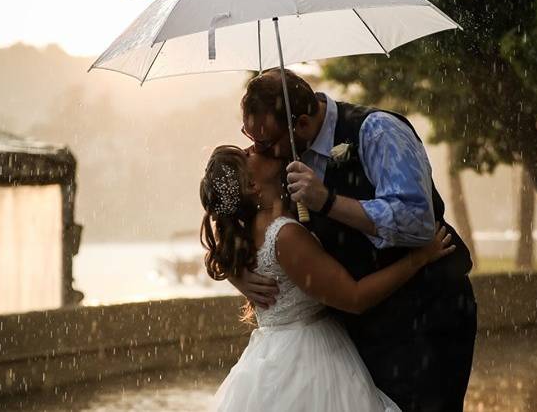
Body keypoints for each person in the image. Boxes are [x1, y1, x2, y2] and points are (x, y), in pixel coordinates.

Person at [232, 69, 477, 412]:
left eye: (267, 141)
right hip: (356, 332)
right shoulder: (285, 156)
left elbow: (417, 222)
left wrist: (328, 201)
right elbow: (229, 204)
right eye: (251, 137)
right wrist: (236, 271)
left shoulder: (377, 131)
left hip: (424, 313)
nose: (260, 149)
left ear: (301, 123)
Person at [200, 145, 456, 412]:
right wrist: (418, 259)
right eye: (247, 155)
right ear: (253, 185)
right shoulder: (284, 235)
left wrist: (234, 274)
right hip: (306, 357)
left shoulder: (251, 230)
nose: (254, 147)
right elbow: (354, 297)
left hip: (271, 351)